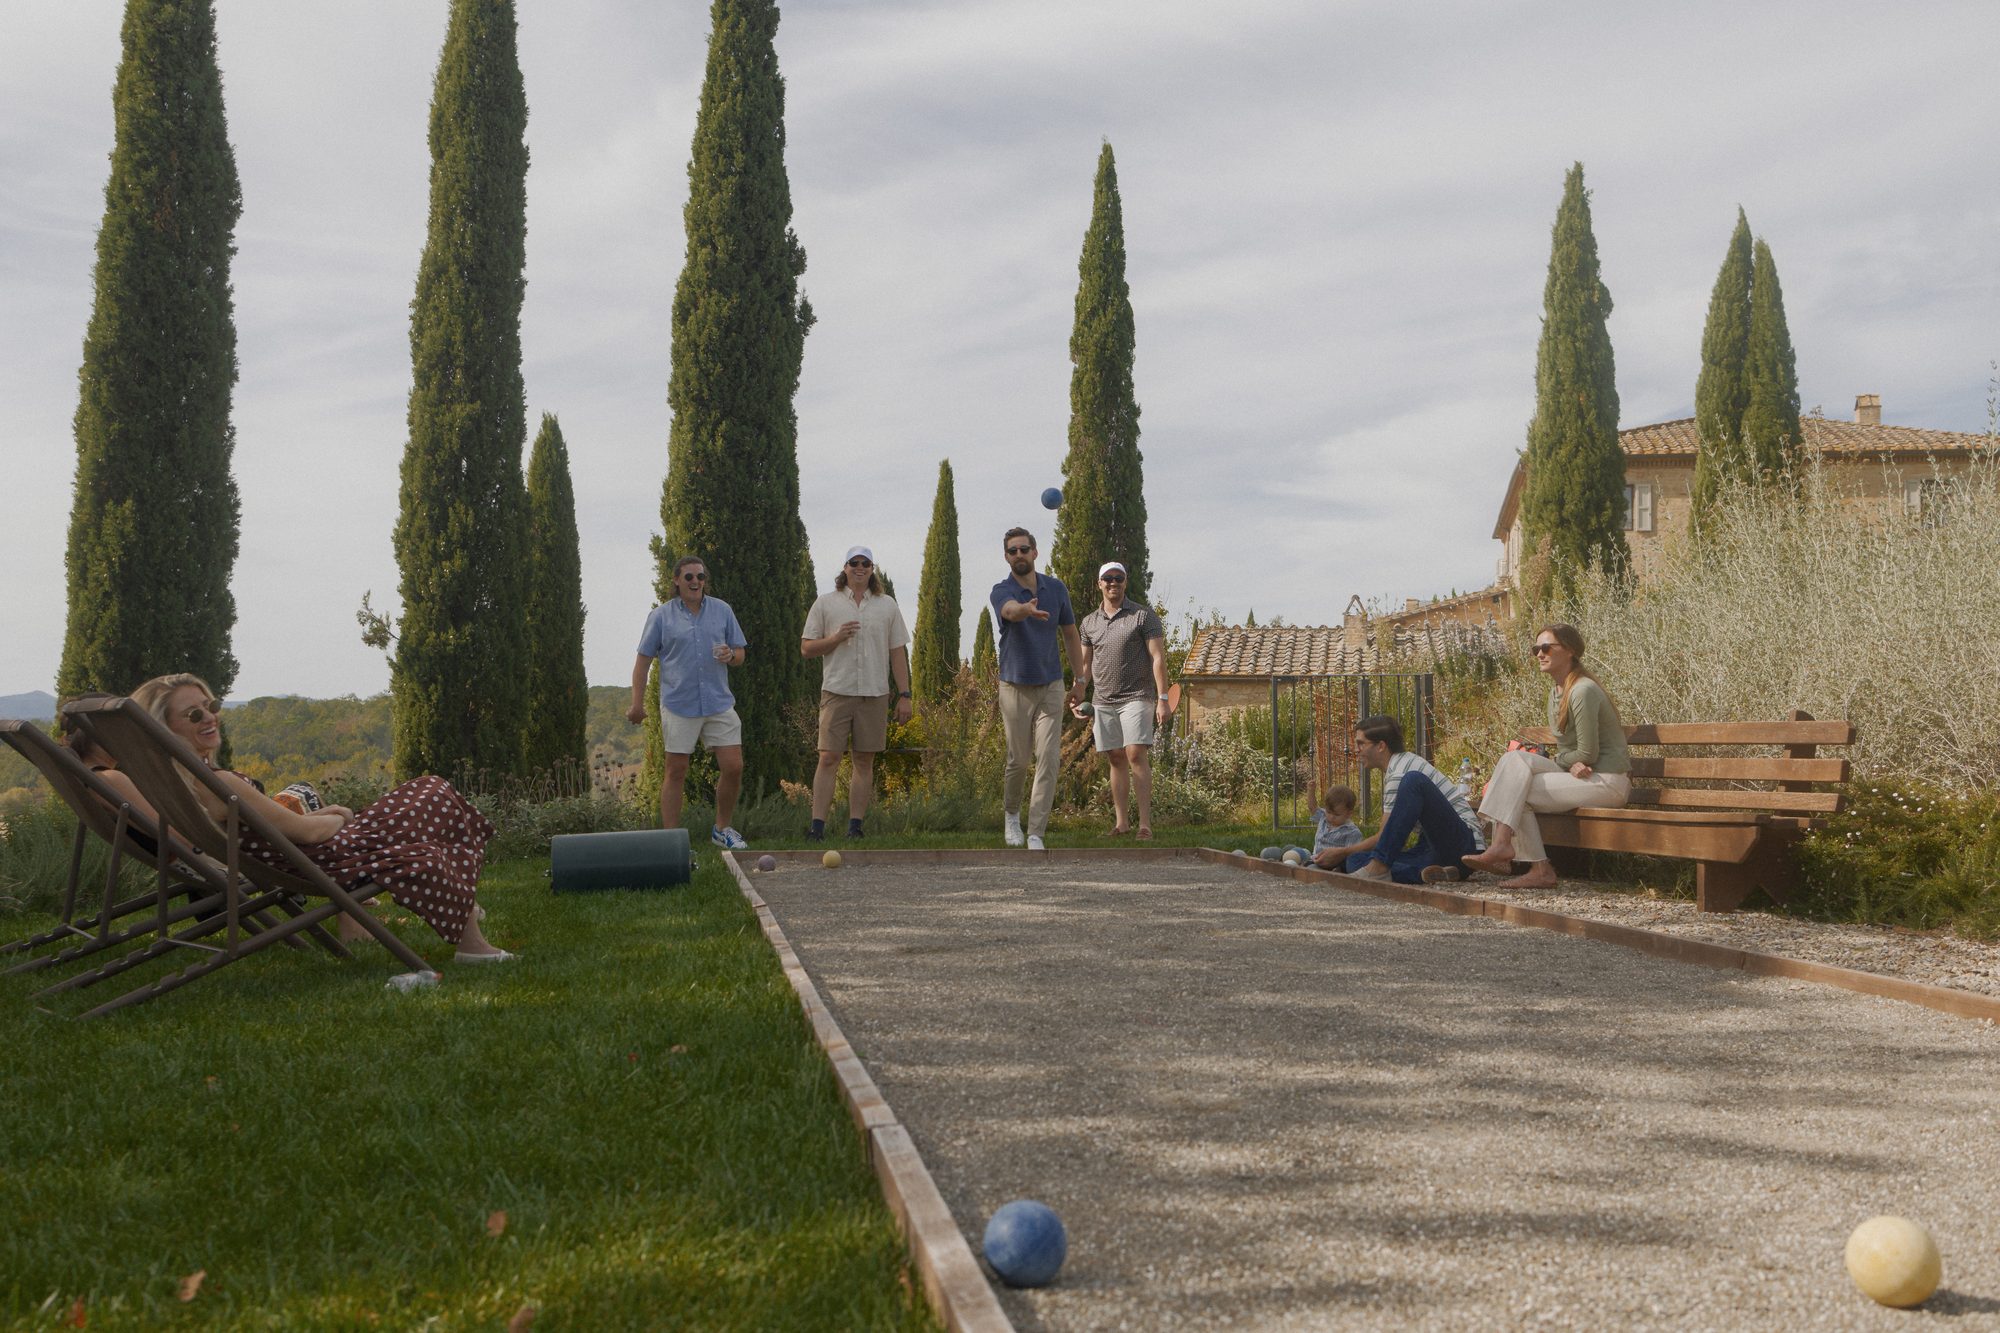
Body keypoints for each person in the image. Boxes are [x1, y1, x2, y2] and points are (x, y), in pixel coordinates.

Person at [126, 673, 515, 961]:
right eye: (193, 715)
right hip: (321, 857)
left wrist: (325, 816)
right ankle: (468, 921)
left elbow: (274, 825)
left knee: (430, 796)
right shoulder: (218, 781)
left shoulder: (184, 781)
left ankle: (465, 906)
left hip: (296, 854)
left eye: (210, 706)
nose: (209, 718)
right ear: (165, 729)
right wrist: (341, 817)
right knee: (432, 796)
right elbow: (308, 833)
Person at [1463, 623, 1631, 888]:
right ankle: (1520, 857)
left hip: (1607, 781)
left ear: (1570, 651)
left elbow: (1587, 753)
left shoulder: (1583, 690)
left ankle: (1512, 852)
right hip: (1581, 778)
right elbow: (1568, 753)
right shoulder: (1555, 693)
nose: (1539, 654)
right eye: (1535, 649)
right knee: (1512, 761)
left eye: (1546, 647)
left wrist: (1569, 762)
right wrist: (1568, 762)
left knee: (1519, 790)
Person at [627, 555, 750, 851]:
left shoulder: (722, 611)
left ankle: (721, 830)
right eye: (689, 577)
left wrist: (730, 656)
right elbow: (642, 663)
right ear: (676, 581)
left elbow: (740, 655)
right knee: (676, 770)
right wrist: (637, 704)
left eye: (700, 577)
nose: (696, 582)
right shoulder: (660, 616)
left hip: (719, 703)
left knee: (733, 767)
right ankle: (671, 841)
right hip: (679, 704)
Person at [800, 545, 912, 840]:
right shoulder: (826, 603)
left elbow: (897, 652)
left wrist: (905, 694)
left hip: (874, 694)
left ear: (872, 568)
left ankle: (855, 828)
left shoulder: (887, 605)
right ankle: (817, 828)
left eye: (865, 563)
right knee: (828, 758)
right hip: (836, 691)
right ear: (845, 567)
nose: (860, 567)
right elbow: (807, 648)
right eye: (854, 563)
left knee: (864, 761)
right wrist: (835, 638)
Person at [988, 528, 1082, 851]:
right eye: (1012, 551)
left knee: (1049, 757)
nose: (1018, 555)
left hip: (1051, 685)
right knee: (1018, 758)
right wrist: (1025, 610)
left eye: (1023, 549)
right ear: (1006, 557)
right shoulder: (1002, 590)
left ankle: (1036, 832)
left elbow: (1070, 634)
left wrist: (1080, 680)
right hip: (1014, 685)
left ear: (1035, 552)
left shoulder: (1055, 589)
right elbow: (1009, 611)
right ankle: (1011, 815)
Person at [1071, 561, 1170, 838]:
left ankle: (1145, 825)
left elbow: (1158, 658)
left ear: (1125, 582)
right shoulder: (1089, 622)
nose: (1113, 583)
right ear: (1099, 583)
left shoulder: (1143, 616)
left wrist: (1162, 698)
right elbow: (1085, 665)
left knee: (1135, 753)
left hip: (1137, 696)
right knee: (1115, 757)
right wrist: (1078, 691)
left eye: (1118, 578)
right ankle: (1122, 823)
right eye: (1108, 579)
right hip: (1103, 699)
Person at [1338, 715, 1485, 883]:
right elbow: (1390, 840)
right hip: (1434, 848)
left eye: (1361, 743)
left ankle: (1380, 868)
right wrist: (1347, 855)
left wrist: (1341, 852)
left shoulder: (1400, 772)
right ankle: (1439, 873)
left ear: (1380, 746)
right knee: (1355, 860)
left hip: (1464, 846)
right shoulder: (1398, 765)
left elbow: (1382, 838)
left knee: (1414, 780)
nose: (1356, 750)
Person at [1309, 785, 1363, 870]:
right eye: (1329, 812)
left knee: (1312, 869)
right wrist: (1311, 791)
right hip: (1316, 859)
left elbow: (1351, 855)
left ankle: (1339, 871)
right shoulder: (1323, 817)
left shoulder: (1352, 832)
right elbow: (1313, 808)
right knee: (1296, 854)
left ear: (1349, 814)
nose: (1331, 817)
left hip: (1334, 862)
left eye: (1336, 815)